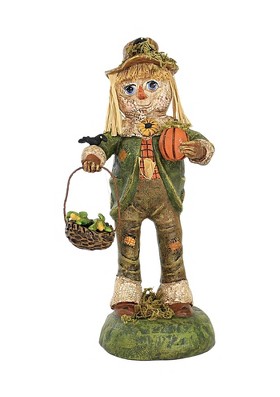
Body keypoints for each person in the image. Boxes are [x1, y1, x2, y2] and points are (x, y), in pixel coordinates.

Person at [81, 38, 214, 317]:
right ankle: (127, 292)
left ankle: (175, 290)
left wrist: (198, 149)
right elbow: (102, 145)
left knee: (172, 241)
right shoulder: (121, 129)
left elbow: (204, 144)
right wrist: (93, 156)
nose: (141, 95)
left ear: (168, 86)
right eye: (130, 88)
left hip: (166, 198)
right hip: (128, 198)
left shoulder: (174, 128)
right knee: (128, 243)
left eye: (152, 85)